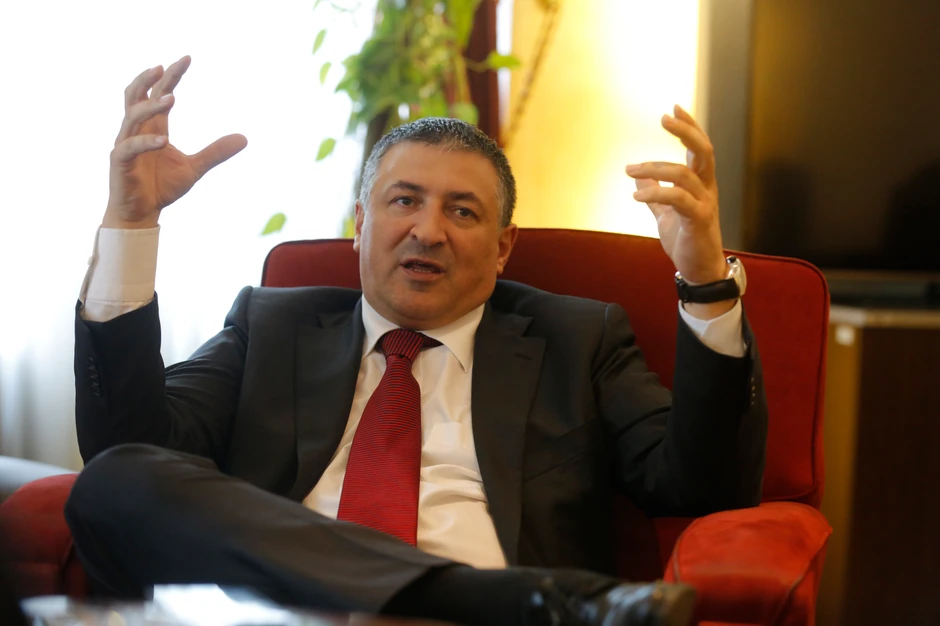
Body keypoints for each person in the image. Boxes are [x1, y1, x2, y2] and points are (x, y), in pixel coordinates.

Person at [65, 56, 767, 626]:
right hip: (290, 616)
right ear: (360, 224)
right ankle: (514, 600)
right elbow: (130, 442)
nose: (428, 231)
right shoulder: (271, 327)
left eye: (462, 212)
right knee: (115, 479)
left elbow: (698, 482)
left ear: (502, 248)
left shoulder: (578, 340)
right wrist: (131, 221)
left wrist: (705, 281)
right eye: (404, 200)